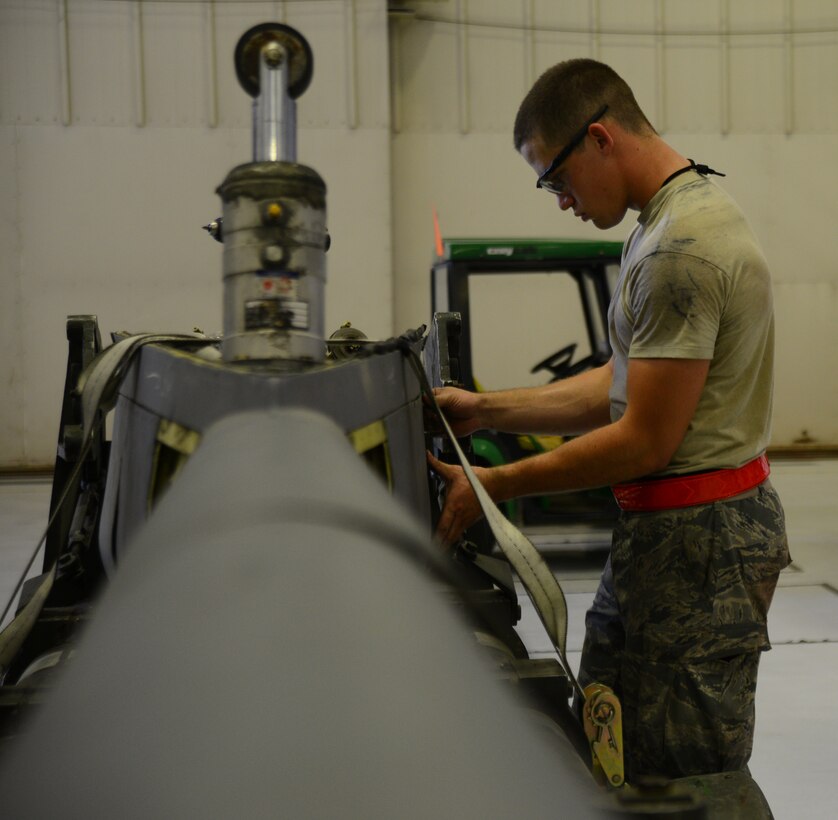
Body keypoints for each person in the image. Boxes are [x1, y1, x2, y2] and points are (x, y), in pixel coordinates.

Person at [427, 59, 790, 781]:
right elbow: (623, 383)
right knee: (615, 740)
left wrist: (495, 485)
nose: (561, 201)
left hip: (701, 547)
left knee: (690, 779)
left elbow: (644, 439)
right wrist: (486, 409)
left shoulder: (681, 249)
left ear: (599, 138)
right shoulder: (659, 226)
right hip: (666, 536)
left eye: (556, 179)